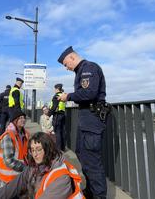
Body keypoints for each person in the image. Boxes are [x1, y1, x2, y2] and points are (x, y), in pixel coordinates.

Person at [57, 46, 107, 199]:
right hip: (86, 121)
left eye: (66, 64)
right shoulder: (81, 71)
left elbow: (89, 93)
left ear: (72, 57)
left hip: (92, 122)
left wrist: (68, 96)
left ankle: (99, 196)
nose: (66, 68)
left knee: (92, 162)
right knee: (83, 156)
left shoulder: (88, 67)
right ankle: (91, 191)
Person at [0, 132, 85, 199]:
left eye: (39, 149)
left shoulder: (61, 177)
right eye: (32, 150)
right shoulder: (34, 168)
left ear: (48, 149)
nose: (35, 154)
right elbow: (12, 187)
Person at [0, 110, 29, 187]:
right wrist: (27, 168)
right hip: (7, 181)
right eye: (20, 118)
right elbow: (8, 161)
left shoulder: (25, 134)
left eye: (24, 118)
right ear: (14, 120)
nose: (23, 119)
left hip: (19, 178)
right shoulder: (8, 136)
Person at [48, 83, 66, 151]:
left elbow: (54, 106)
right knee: (62, 131)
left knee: (57, 132)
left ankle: (58, 149)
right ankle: (63, 148)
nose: (54, 90)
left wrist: (48, 115)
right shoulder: (63, 95)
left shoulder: (56, 96)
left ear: (57, 89)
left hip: (57, 115)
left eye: (55, 89)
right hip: (63, 114)